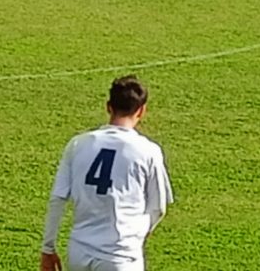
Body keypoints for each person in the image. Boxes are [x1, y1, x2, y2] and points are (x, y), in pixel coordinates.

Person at [40, 76, 173, 271]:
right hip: (121, 257)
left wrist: (47, 248)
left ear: (108, 106)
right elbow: (158, 207)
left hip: (80, 253)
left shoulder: (78, 144)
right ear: (142, 110)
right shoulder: (147, 151)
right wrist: (140, 234)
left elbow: (57, 198)